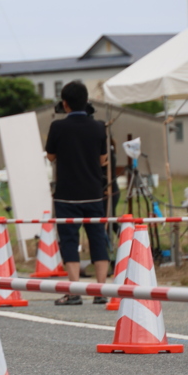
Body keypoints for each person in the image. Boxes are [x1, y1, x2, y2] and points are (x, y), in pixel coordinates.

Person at [45, 81, 110, 305]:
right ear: (87, 101)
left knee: (69, 241)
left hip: (66, 194)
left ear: (65, 104)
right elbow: (103, 160)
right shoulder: (99, 127)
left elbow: (51, 156)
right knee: (98, 239)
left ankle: (74, 292)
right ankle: (100, 290)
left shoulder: (58, 128)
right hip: (93, 192)